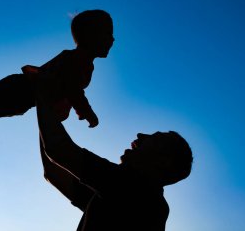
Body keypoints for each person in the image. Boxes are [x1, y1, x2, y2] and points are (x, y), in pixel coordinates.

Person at [36, 91, 193, 230]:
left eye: (155, 138)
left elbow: (59, 150)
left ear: (163, 161)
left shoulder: (138, 193)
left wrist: (43, 95)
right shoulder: (119, 196)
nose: (140, 135)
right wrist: (52, 117)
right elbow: (54, 171)